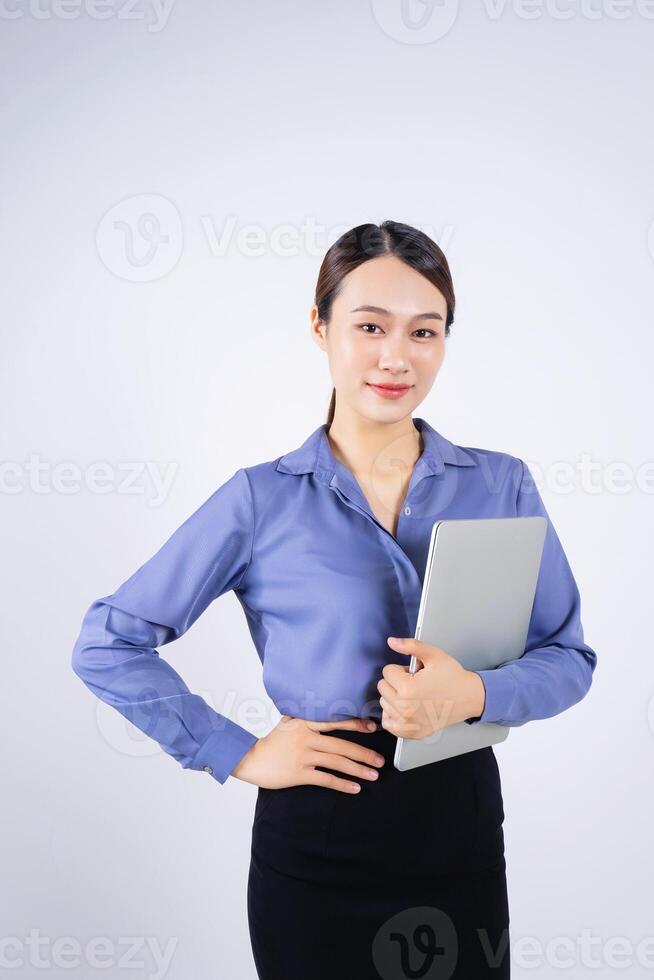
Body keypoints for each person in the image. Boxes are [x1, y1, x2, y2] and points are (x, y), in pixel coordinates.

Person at [71, 220, 598, 979]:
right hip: (316, 843)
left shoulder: (502, 483)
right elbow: (108, 642)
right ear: (320, 328)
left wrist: (474, 692)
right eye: (370, 326)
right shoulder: (261, 500)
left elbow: (569, 656)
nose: (396, 357)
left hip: (461, 836)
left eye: (425, 331)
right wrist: (238, 751)